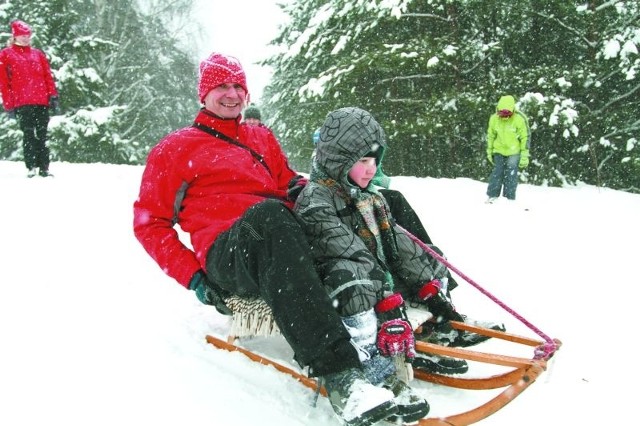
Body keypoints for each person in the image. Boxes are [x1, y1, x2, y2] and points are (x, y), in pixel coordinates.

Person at [133, 52, 430, 426]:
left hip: (281, 232)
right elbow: (150, 224)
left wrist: (336, 192)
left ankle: (429, 305)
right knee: (270, 216)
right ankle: (341, 375)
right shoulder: (175, 149)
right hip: (231, 249)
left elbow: (288, 185)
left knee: (382, 201)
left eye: (238, 85)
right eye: (221, 85)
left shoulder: (259, 136)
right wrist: (195, 279)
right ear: (203, 94)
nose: (231, 93)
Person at [297, 107, 505, 378]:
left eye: (375, 160)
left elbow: (396, 242)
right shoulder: (316, 200)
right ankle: (367, 356)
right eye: (363, 161)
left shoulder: (370, 197)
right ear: (339, 160)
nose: (372, 169)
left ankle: (436, 326)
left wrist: (429, 287)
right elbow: (352, 252)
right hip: (341, 284)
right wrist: (388, 304)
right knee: (354, 279)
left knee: (426, 255)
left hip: (376, 276)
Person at [0, 20, 59, 178]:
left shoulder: (37, 54)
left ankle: (44, 167)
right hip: (22, 101)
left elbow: (47, 75)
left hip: (41, 100)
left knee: (42, 134)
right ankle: (31, 166)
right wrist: (9, 104)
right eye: (21, 35)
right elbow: (4, 82)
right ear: (14, 36)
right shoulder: (6, 54)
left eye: (27, 35)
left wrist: (52, 95)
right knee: (28, 134)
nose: (25, 38)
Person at [485, 95, 530, 203]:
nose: (505, 116)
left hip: (514, 151)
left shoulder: (519, 119)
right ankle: (492, 196)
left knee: (511, 174)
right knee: (497, 173)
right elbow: (491, 136)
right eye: (502, 113)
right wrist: (489, 151)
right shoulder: (494, 119)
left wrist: (524, 155)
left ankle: (509, 198)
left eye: (508, 114)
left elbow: (525, 138)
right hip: (498, 150)